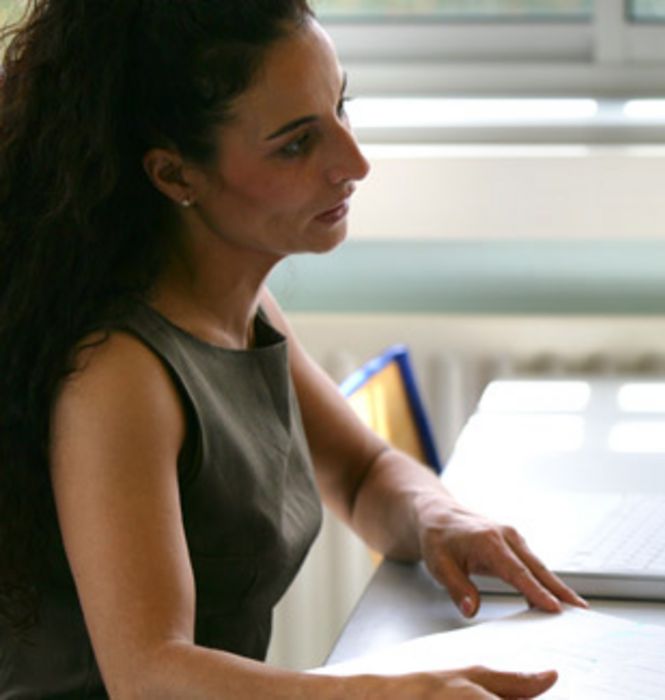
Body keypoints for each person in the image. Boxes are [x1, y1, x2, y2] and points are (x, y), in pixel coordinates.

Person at [0, 2, 586, 697]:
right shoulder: (120, 374)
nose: (355, 162)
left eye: (342, 108)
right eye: (296, 144)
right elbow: (147, 673)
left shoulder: (239, 304)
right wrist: (387, 693)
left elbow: (364, 473)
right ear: (175, 175)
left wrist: (440, 518)